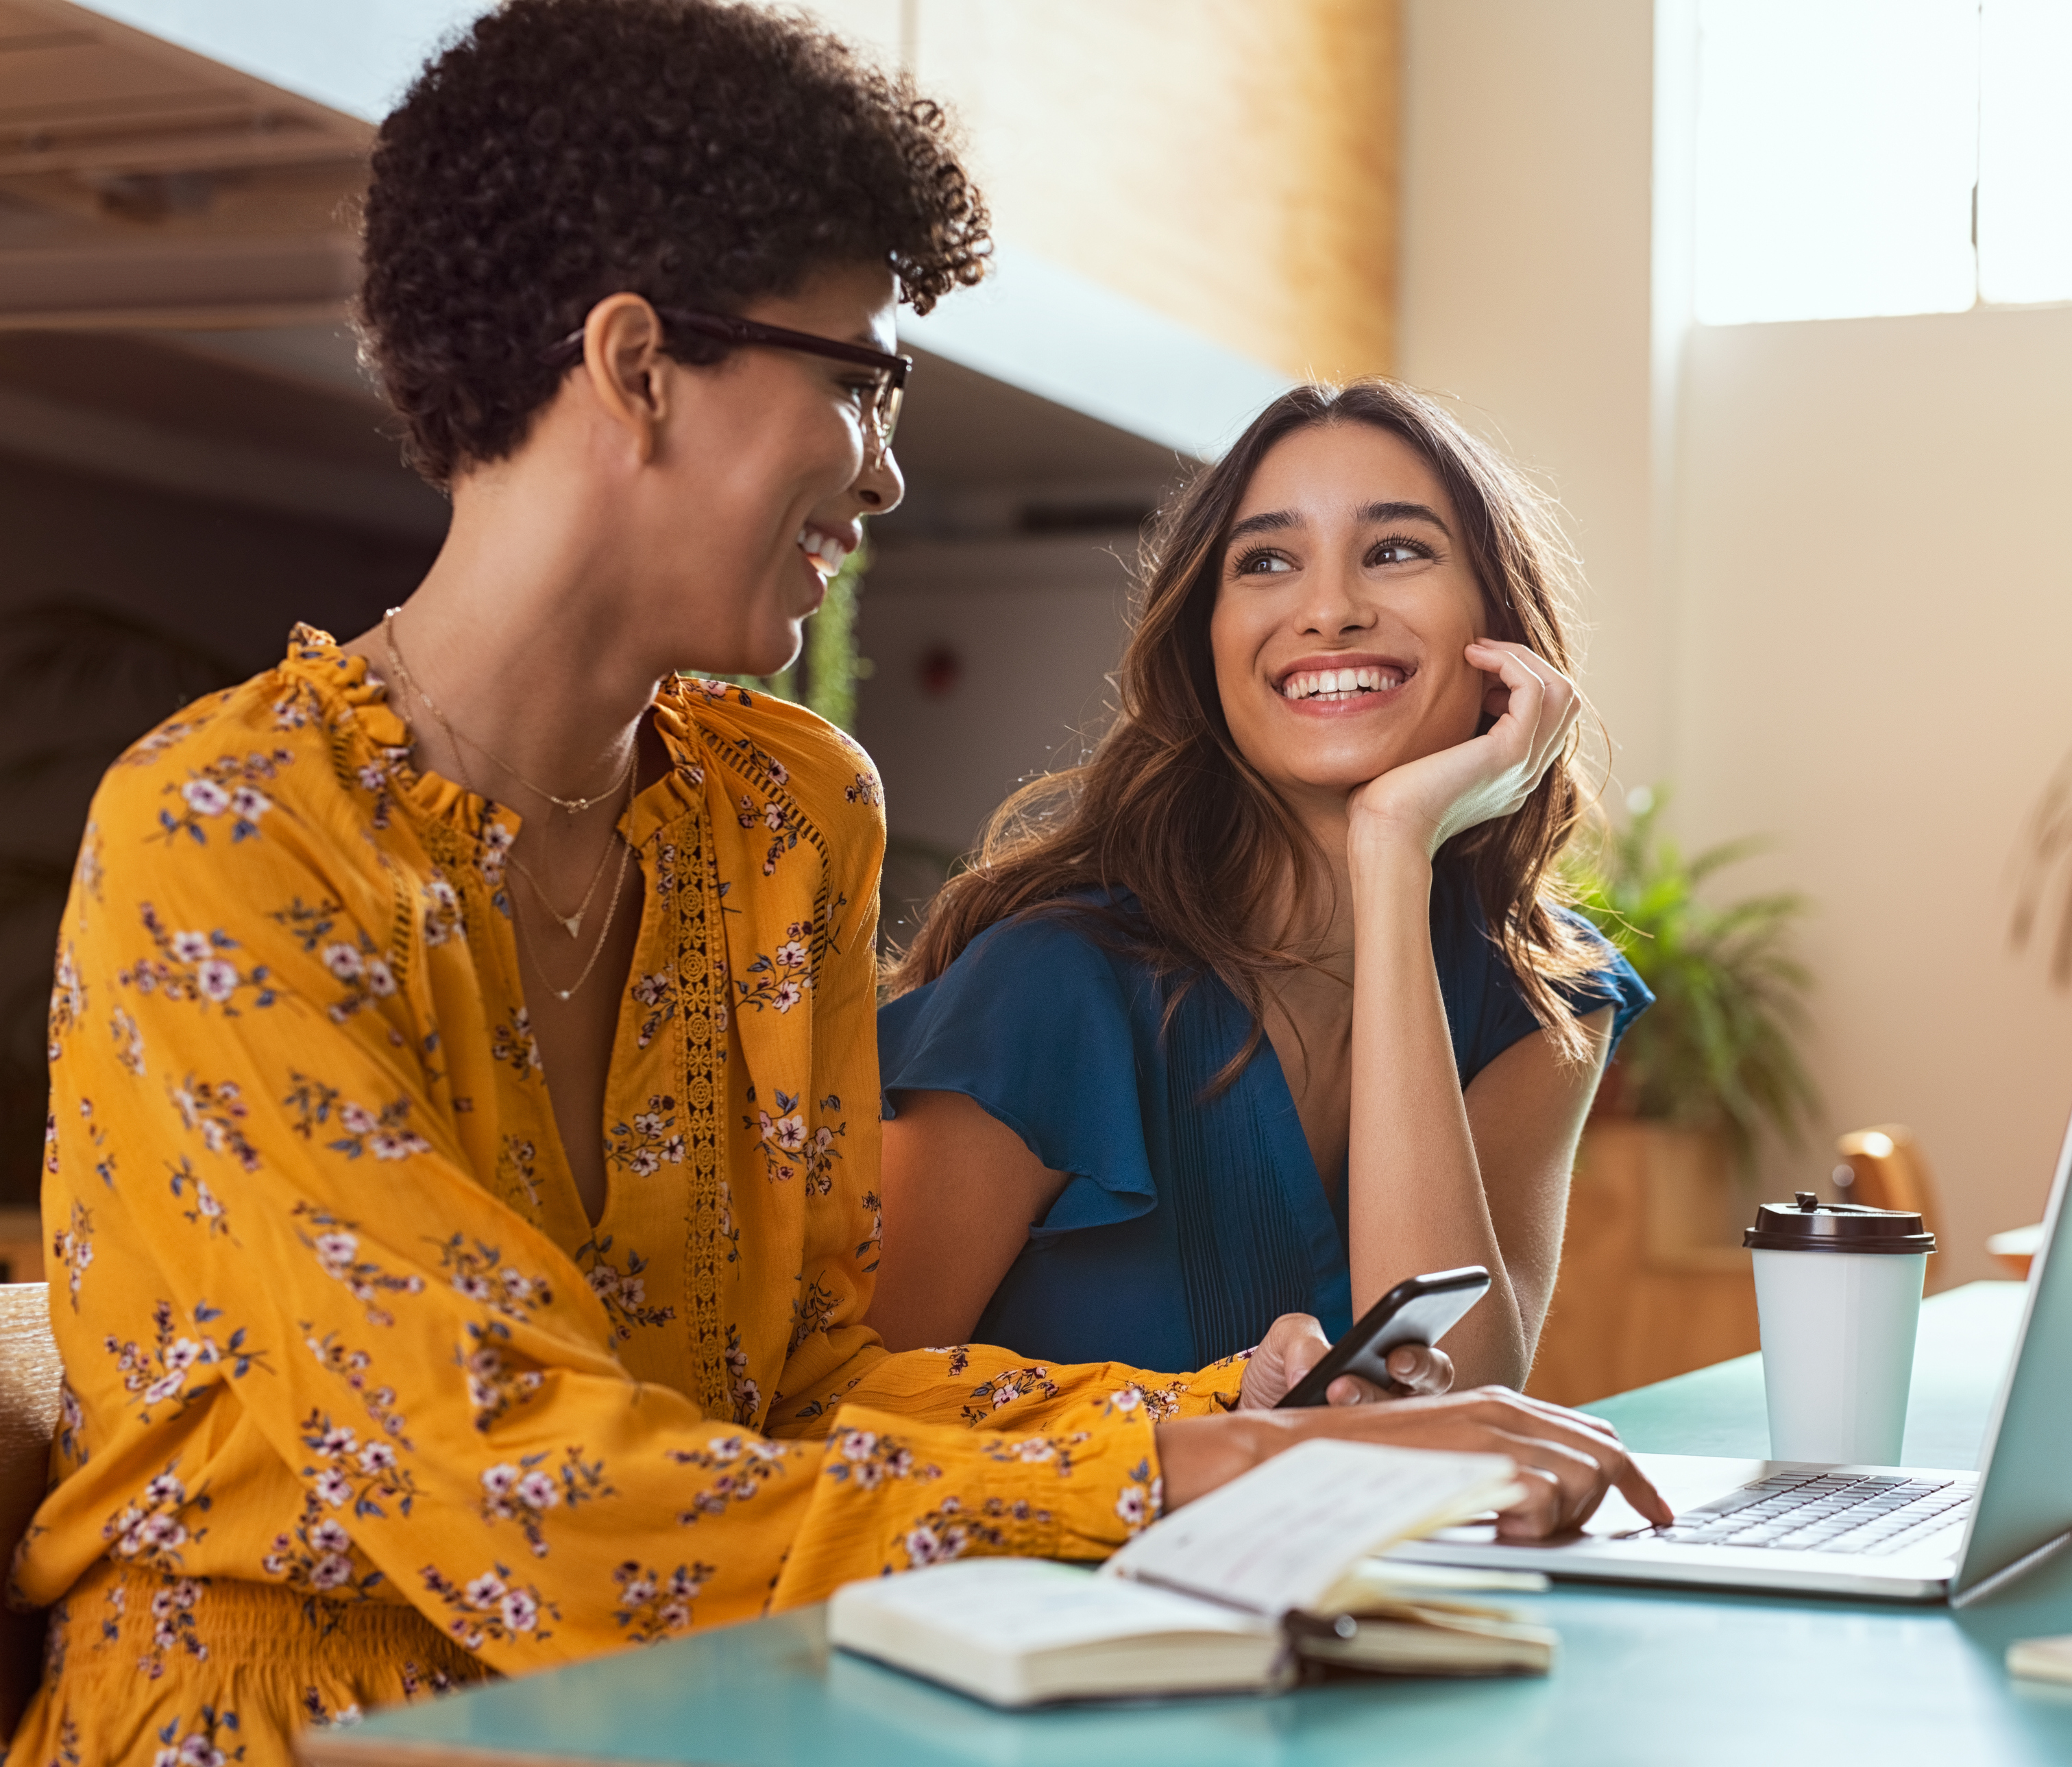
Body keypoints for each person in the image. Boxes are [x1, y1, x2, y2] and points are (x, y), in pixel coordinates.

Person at [8, 6, 1661, 1762]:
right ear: (637, 364)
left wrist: (1230, 1416)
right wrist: (1192, 1462)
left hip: (697, 1693)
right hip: (299, 1723)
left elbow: (796, 1387)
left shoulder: (781, 814)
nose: (881, 468)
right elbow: (514, 1488)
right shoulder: (233, 831)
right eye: (862, 380)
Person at [868, 381, 1650, 1388]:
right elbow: (837, 1419)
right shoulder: (1049, 989)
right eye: (1267, 561)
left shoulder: (1540, 995)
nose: (1328, 610)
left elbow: (1449, 1407)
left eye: (1397, 549)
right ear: (1208, 639)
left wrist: (1393, 843)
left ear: (1499, 627)